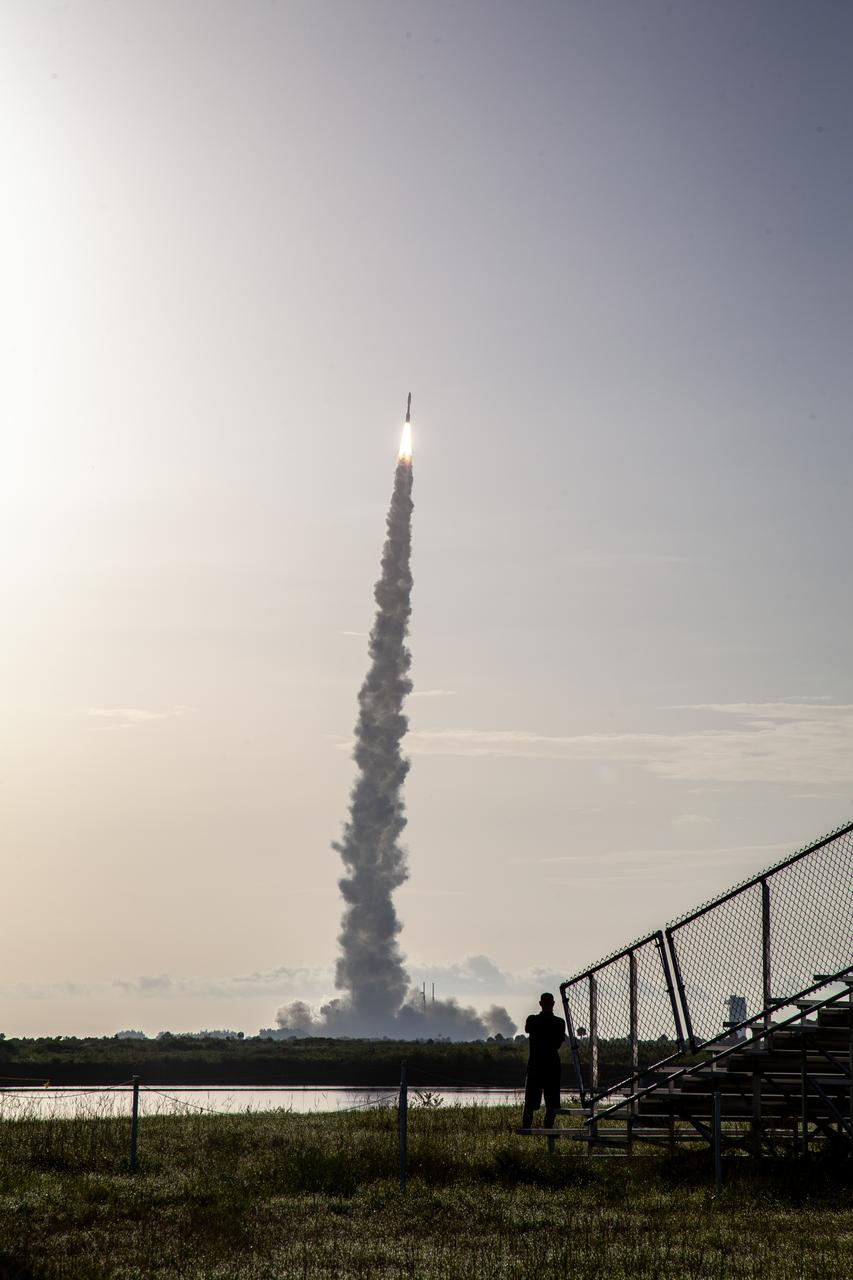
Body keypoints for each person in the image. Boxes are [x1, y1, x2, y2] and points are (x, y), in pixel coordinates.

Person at [521, 991, 565, 1129]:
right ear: (553, 1004)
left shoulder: (532, 1020)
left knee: (530, 1101)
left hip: (535, 1064)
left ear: (540, 1004)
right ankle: (548, 1130)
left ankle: (526, 1130)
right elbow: (558, 1043)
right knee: (552, 1102)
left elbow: (527, 1029)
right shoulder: (559, 1022)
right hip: (552, 1065)